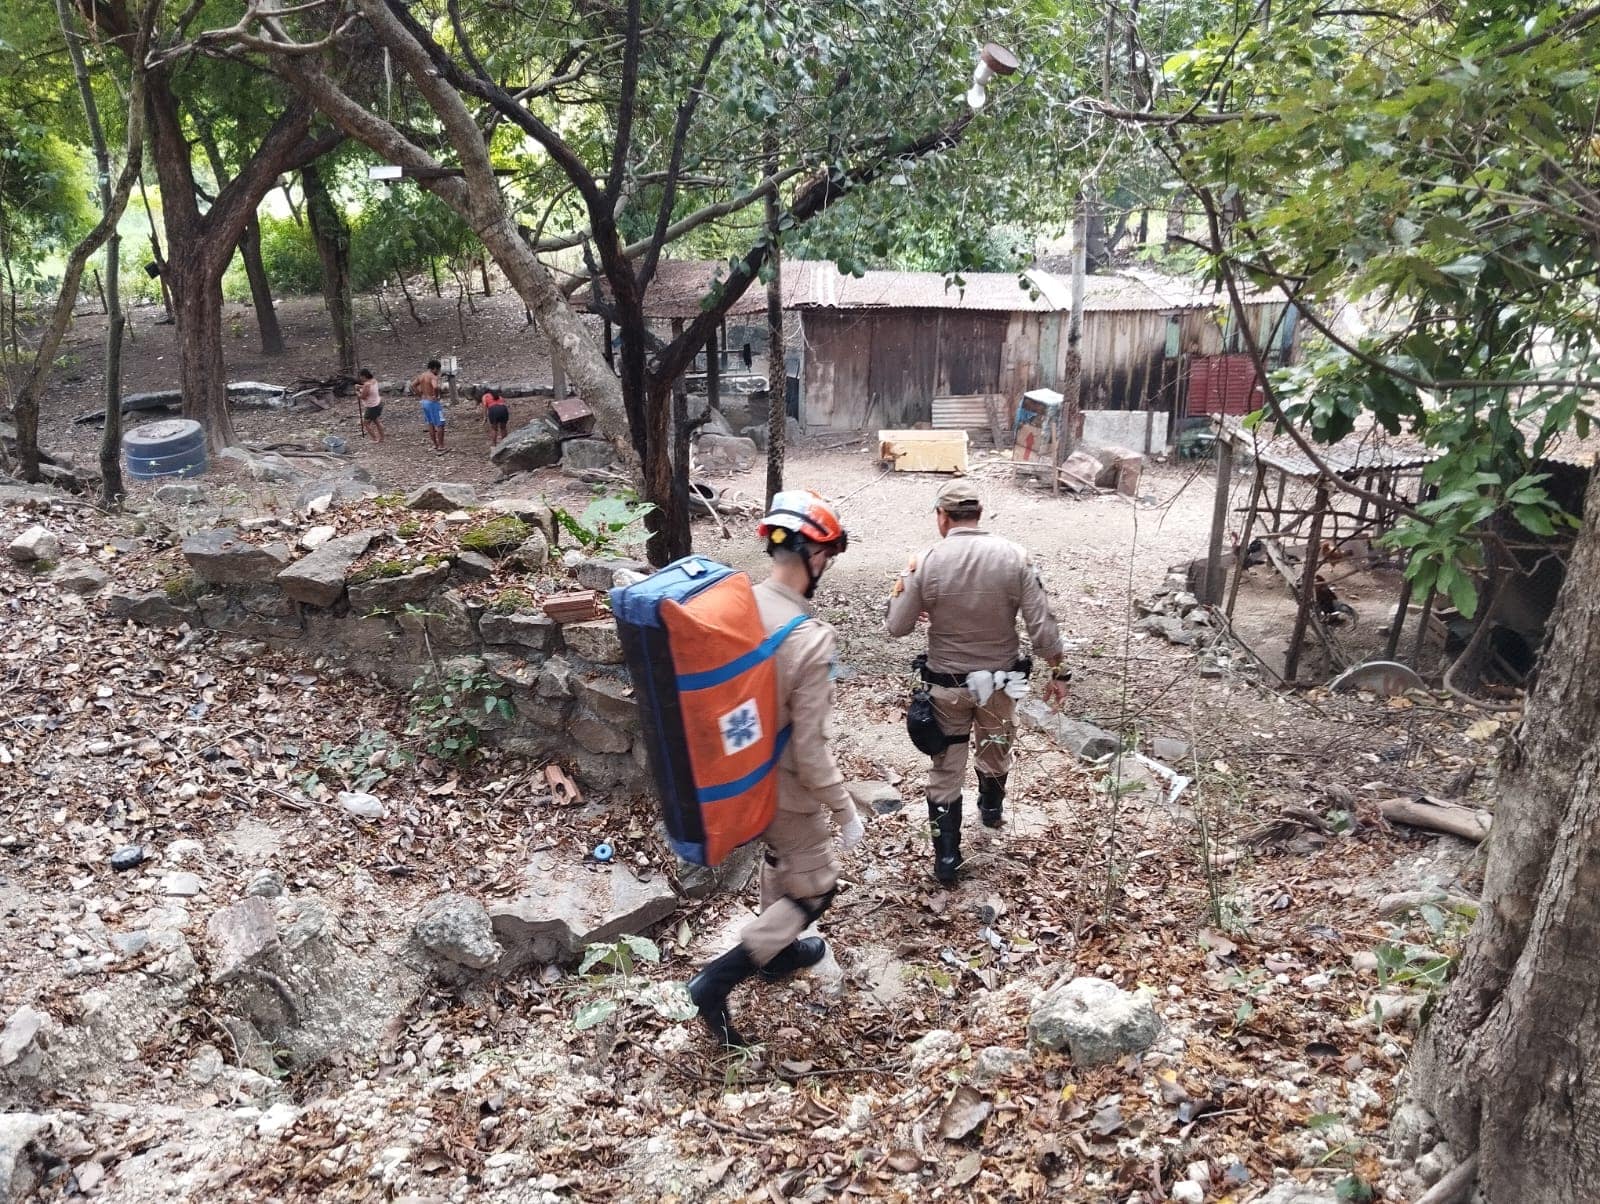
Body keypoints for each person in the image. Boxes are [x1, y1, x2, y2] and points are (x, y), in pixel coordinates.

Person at [687, 490, 864, 1049]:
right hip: (787, 791)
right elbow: (810, 750)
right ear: (816, 557)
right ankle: (716, 982)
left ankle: (780, 954)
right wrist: (845, 808)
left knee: (777, 858)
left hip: (731, 776)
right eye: (827, 557)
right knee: (815, 889)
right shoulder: (810, 640)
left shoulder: (734, 603)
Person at [885, 479, 1068, 886]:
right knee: (996, 745)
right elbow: (1042, 627)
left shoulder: (926, 561)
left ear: (942, 517)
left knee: (947, 767)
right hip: (1001, 683)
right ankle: (991, 810)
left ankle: (947, 860)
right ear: (979, 514)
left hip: (947, 686)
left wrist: (921, 605)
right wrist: (1059, 671)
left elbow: (896, 625)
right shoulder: (1015, 557)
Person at [410, 358, 446, 454]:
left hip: (424, 401)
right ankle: (441, 445)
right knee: (440, 424)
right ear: (434, 368)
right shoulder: (432, 377)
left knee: (430, 424)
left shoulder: (422, 376)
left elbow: (413, 385)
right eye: (438, 369)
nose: (438, 372)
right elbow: (435, 387)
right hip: (432, 402)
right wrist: (436, 395)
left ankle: (435, 444)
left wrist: (420, 395)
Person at [356, 369, 384, 443]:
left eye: (361, 377)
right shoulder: (373, 380)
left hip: (372, 406)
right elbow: (369, 389)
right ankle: (381, 438)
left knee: (366, 423)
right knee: (376, 421)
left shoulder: (367, 385)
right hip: (378, 403)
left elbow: (363, 396)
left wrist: (357, 392)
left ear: (364, 376)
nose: (360, 378)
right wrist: (360, 386)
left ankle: (375, 439)